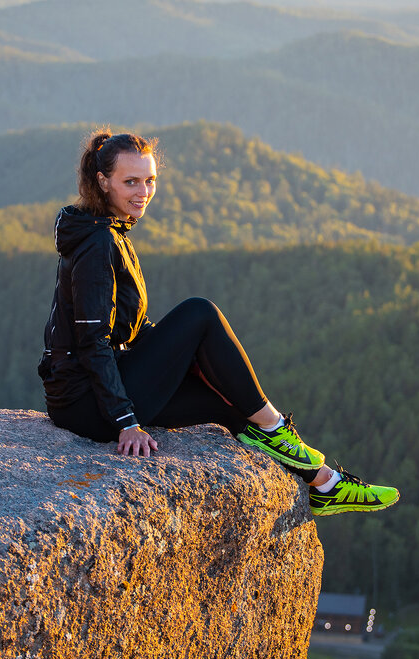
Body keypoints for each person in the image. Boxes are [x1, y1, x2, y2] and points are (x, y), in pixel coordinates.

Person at [38, 129, 399, 516]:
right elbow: (92, 342)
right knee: (200, 313)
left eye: (150, 180)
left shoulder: (108, 230)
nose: (143, 191)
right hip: (85, 403)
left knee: (228, 406)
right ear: (103, 181)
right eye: (131, 182)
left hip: (99, 386)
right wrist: (126, 422)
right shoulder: (98, 245)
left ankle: (325, 484)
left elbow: (126, 328)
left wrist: (182, 357)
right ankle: (277, 426)